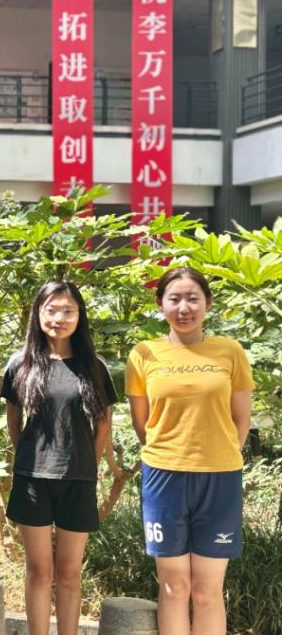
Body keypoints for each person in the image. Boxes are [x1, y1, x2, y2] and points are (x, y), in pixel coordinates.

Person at [126, 267, 252, 635]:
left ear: (207, 303)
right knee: (174, 586)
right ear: (160, 303)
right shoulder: (144, 354)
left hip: (220, 479)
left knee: (208, 590)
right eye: (175, 299)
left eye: (193, 298)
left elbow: (241, 420)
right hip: (163, 477)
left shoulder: (230, 351)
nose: (184, 307)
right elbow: (142, 423)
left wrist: (218, 455)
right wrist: (171, 453)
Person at [1, 281, 115, 635]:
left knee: (68, 573)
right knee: (39, 571)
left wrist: (87, 464)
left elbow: (103, 425)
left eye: (68, 311)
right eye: (51, 310)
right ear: (38, 314)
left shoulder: (94, 366)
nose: (59, 318)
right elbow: (14, 419)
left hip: (78, 479)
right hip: (32, 479)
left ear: (80, 316)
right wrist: (29, 456)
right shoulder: (20, 363)